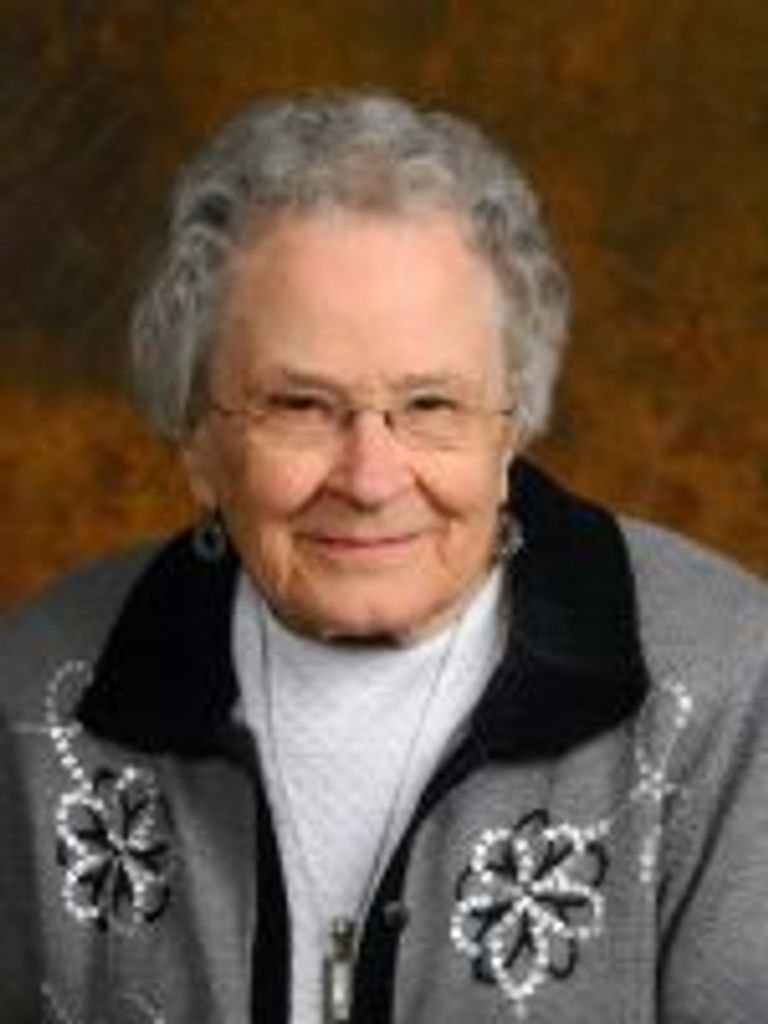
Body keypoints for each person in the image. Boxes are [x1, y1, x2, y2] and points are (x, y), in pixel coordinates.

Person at [1, 91, 766, 1024]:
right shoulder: (35, 698)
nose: (370, 478)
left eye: (431, 405)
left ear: (511, 425)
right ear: (198, 440)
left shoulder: (727, 689)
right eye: (300, 406)